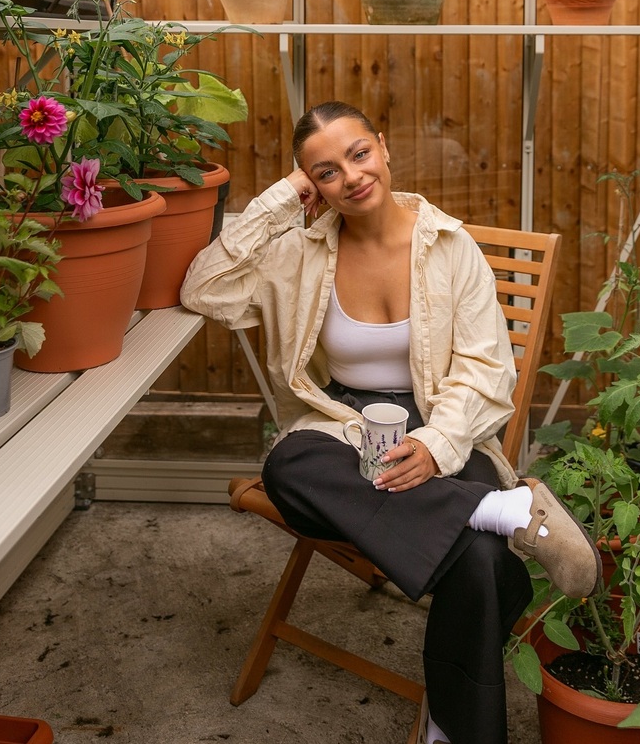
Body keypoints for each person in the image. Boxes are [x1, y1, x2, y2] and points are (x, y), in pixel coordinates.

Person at [180, 101, 600, 744]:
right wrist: (285, 196)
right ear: (310, 186)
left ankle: (453, 729)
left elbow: (487, 373)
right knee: (290, 465)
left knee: (482, 564)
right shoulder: (301, 251)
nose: (349, 177)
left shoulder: (449, 248)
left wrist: (434, 445)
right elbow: (203, 289)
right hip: (344, 422)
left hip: (443, 419)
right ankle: (495, 511)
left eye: (357, 154)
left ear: (382, 146)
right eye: (323, 172)